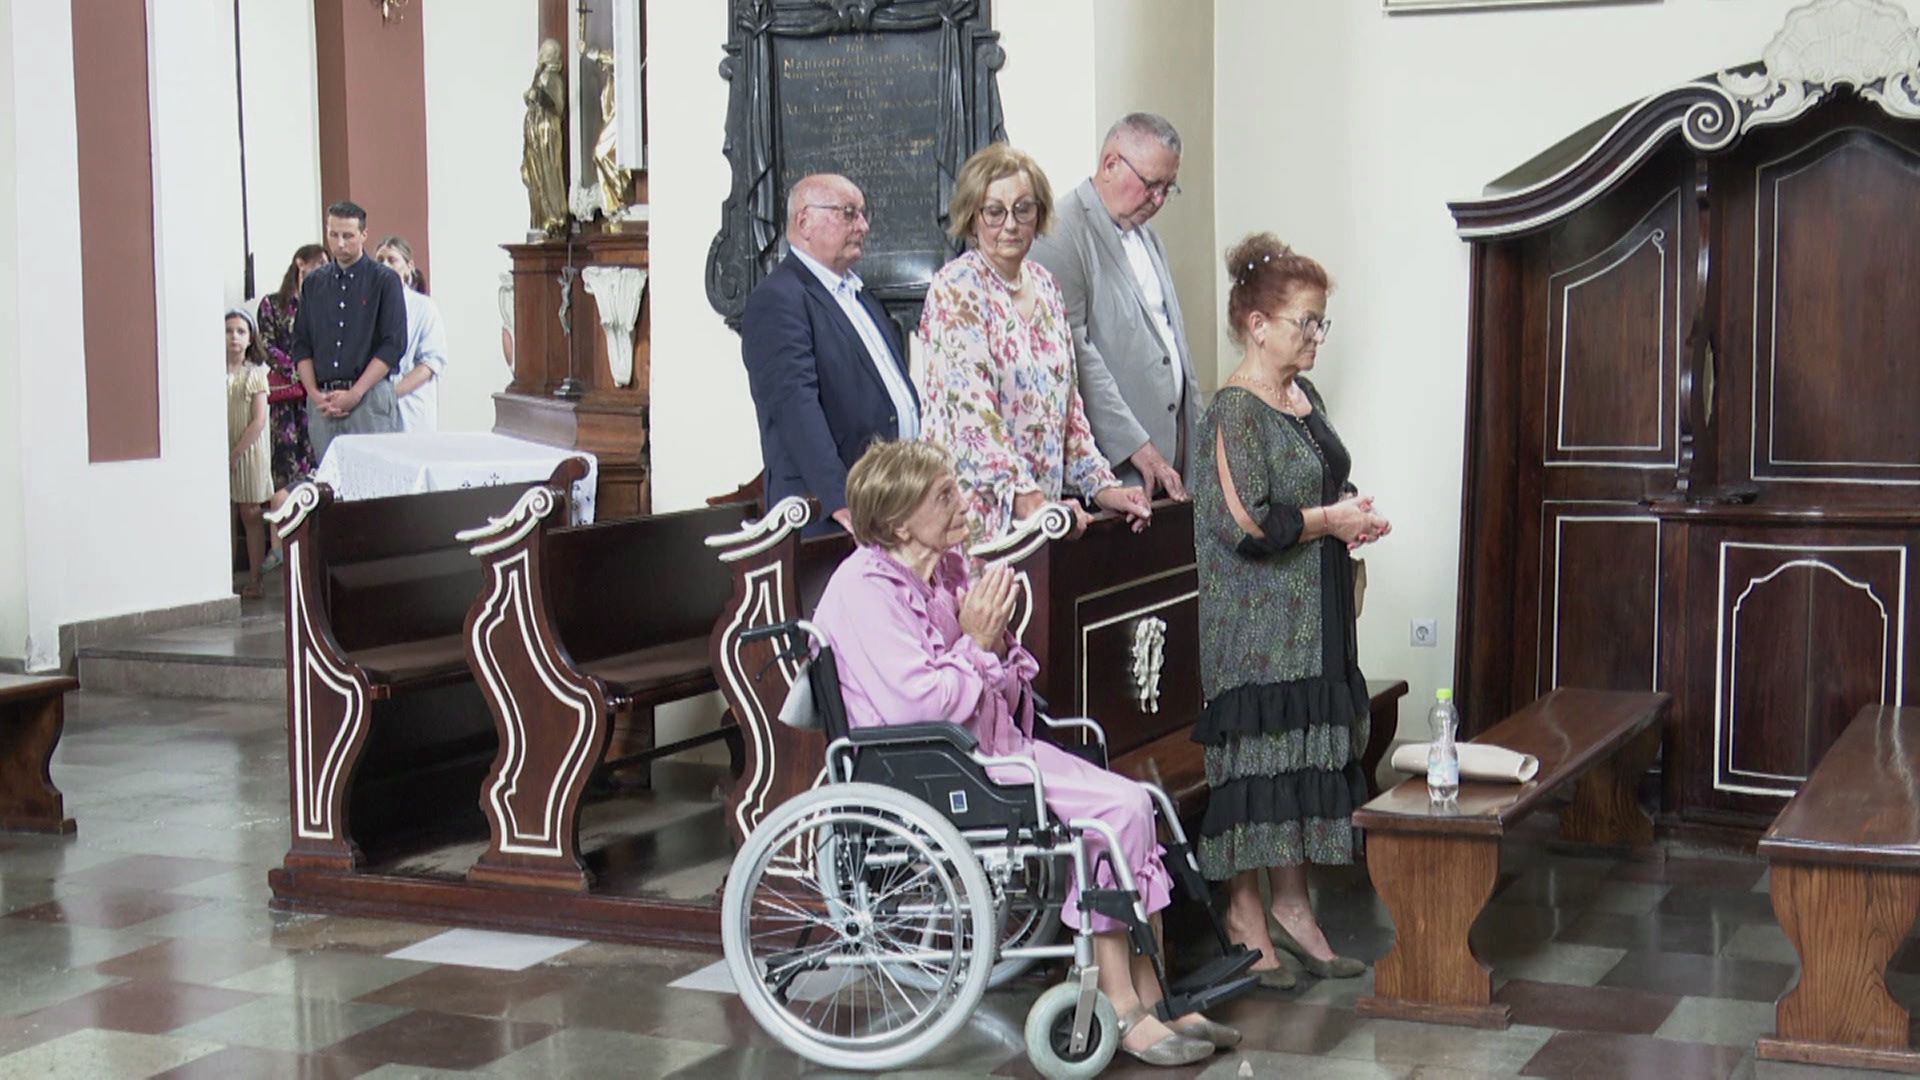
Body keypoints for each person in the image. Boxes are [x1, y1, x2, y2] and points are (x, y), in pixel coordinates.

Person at [812, 439, 1238, 1066]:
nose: (964, 503)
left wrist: (995, 640)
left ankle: (1156, 995)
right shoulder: (864, 591)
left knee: (1141, 802)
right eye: (944, 495)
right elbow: (919, 706)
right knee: (1113, 814)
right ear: (900, 522)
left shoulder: (945, 571)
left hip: (991, 747)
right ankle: (1122, 1004)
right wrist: (978, 643)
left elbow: (1002, 680)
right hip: (934, 765)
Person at [1193, 234, 1392, 988]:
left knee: (1301, 762)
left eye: (1319, 322)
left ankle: (1294, 907)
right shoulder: (1234, 411)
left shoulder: (1305, 399)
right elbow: (1248, 524)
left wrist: (1351, 514)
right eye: (1305, 321)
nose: (1315, 335)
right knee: (1258, 769)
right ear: (1257, 324)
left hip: (1314, 618)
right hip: (1257, 629)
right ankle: (1246, 916)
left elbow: (1317, 488)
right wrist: (1328, 521)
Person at [917, 144, 1151, 544]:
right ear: (972, 217)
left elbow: (1069, 416)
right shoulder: (956, 288)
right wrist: (1031, 502)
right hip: (974, 520)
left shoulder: (1046, 286)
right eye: (994, 211)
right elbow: (973, 420)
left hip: (1042, 521)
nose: (1010, 224)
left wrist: (1103, 486)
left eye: (1023, 209)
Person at [1029, 113, 1199, 500]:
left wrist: (1198, 442)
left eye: (1168, 188)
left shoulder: (1148, 236)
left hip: (1170, 464)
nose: (1159, 200)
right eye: (1151, 185)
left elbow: (1174, 346)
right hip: (1115, 470)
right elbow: (1076, 356)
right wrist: (1136, 445)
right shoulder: (1061, 233)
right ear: (1110, 164)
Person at [740, 173, 919, 536]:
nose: (863, 226)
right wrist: (840, 499)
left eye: (863, 214)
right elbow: (795, 406)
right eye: (848, 213)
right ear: (804, 221)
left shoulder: (859, 295)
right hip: (830, 514)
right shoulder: (779, 298)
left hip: (890, 501)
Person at [291, 200, 407, 463]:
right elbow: (301, 344)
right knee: (330, 479)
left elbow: (393, 345)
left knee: (375, 476)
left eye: (348, 236)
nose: (340, 243)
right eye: (333, 235)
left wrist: (355, 393)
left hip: (369, 396)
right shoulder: (313, 283)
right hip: (324, 399)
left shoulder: (384, 281)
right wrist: (314, 394)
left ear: (364, 234)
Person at [255, 243, 326, 570]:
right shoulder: (272, 304)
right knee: (282, 465)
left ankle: (308, 545)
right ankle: (279, 545)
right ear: (301, 263)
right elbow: (267, 345)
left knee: (311, 464)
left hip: (312, 396)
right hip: (285, 400)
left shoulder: (320, 305)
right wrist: (298, 369)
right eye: (318, 263)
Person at [374, 235, 447, 433]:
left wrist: (391, 394)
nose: (385, 265)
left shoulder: (424, 307)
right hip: (375, 408)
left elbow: (431, 362)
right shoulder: (368, 308)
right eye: (380, 260)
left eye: (392, 260)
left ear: (409, 267)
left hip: (411, 406)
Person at [225, 309, 273, 600]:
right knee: (225, 514)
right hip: (222, 446)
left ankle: (256, 579)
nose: (234, 337)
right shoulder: (214, 374)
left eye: (240, 331)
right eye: (228, 330)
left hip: (248, 451)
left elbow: (258, 420)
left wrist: (235, 454)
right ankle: (224, 578)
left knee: (250, 512)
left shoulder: (255, 374)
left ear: (250, 338)